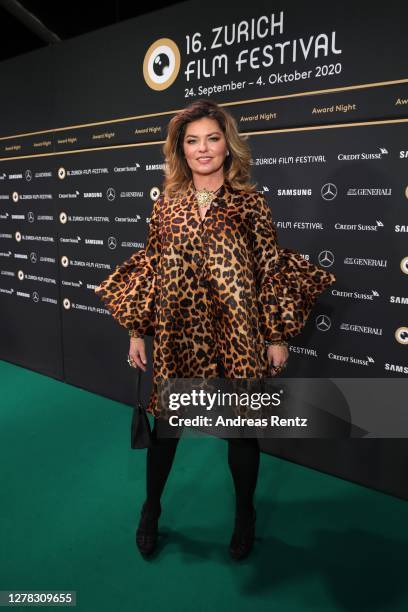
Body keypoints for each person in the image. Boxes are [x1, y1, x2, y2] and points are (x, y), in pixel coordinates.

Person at [94, 99, 336, 561]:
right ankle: (151, 509)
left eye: (212, 138)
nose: (202, 148)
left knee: (242, 431)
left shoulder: (251, 203)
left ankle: (245, 514)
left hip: (238, 332)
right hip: (179, 332)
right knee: (167, 429)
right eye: (192, 141)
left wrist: (277, 335)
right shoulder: (166, 206)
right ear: (180, 151)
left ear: (228, 146)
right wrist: (134, 330)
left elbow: (269, 269)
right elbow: (150, 268)